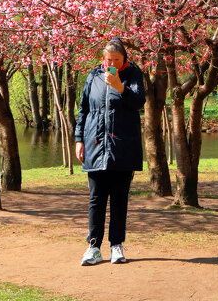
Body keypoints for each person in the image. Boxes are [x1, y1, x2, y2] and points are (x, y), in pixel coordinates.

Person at [74, 39, 146, 266]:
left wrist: (119, 87)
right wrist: (78, 140)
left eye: (116, 60)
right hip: (94, 144)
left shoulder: (133, 75)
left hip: (122, 146)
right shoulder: (93, 76)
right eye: (108, 60)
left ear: (124, 59)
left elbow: (139, 102)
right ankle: (93, 247)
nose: (112, 63)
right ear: (102, 60)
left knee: (119, 199)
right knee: (96, 199)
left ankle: (116, 245)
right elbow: (84, 109)